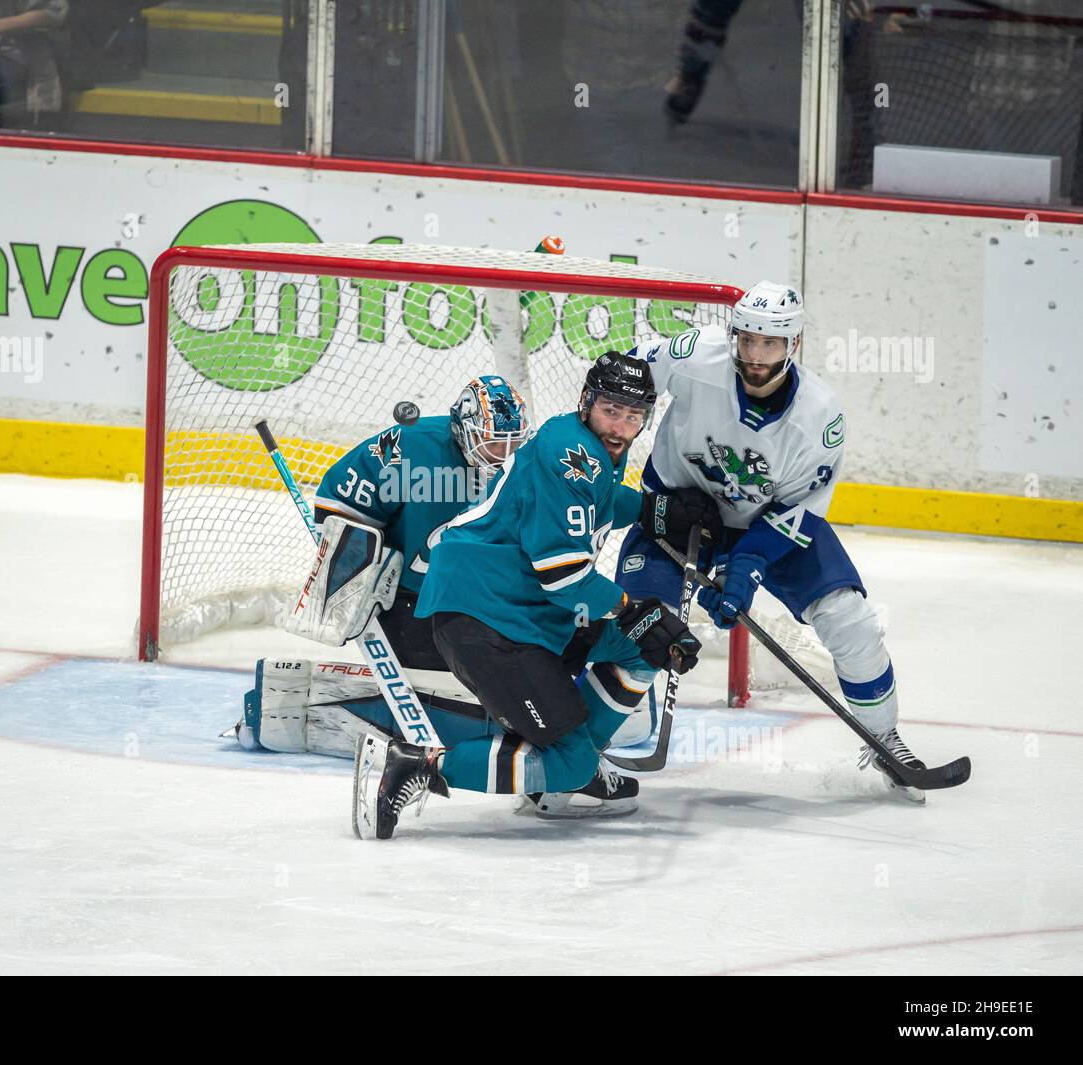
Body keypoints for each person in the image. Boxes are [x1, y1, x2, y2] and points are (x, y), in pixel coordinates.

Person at [351, 352, 702, 840]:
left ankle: (560, 770)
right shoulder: (569, 458)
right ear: (587, 403)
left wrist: (650, 510)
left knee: (642, 649)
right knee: (572, 758)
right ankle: (415, 764)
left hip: (531, 611)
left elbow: (600, 500)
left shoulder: (583, 448)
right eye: (610, 410)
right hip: (485, 617)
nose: (621, 426)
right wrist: (630, 608)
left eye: (633, 415)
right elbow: (564, 577)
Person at [617, 280, 928, 801]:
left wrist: (746, 567)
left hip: (770, 525)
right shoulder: (696, 356)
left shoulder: (820, 416)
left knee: (849, 618)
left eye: (769, 343)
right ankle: (596, 742)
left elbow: (799, 510)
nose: (754, 354)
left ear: (794, 345)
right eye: (747, 340)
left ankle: (884, 738)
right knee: (642, 618)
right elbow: (623, 376)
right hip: (682, 514)